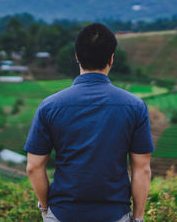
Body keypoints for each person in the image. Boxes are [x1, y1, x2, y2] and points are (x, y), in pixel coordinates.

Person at [24, 23, 153, 222]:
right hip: (115, 214)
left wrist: (45, 208)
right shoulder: (135, 106)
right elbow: (142, 169)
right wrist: (138, 218)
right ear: (111, 58)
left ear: (77, 56)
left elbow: (33, 166)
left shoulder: (49, 106)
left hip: (62, 213)